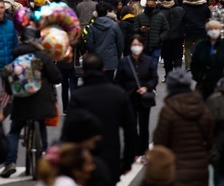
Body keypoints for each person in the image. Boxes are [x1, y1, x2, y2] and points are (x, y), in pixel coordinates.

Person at [0, 27, 62, 178]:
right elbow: (56, 77)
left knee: (14, 131)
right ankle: (45, 160)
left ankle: (10, 162)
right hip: (41, 99)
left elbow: (9, 74)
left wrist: (10, 90)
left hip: (21, 100)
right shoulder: (43, 55)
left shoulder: (15, 54)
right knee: (41, 126)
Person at [68, 53, 136, 183]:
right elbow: (130, 130)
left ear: (83, 71)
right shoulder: (117, 94)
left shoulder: (78, 96)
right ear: (103, 69)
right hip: (110, 156)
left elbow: (69, 131)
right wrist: (127, 161)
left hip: (84, 159)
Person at [153, 68, 213, 186]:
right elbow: (211, 140)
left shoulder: (168, 110)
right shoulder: (203, 109)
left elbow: (160, 142)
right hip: (200, 168)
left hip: (175, 167)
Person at [114, 35, 158, 163]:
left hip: (144, 98)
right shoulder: (124, 62)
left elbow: (154, 78)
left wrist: (146, 87)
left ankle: (144, 152)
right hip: (129, 98)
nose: (136, 47)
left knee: (144, 127)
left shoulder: (149, 61)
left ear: (143, 46)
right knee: (130, 127)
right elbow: (118, 81)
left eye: (139, 45)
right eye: (134, 45)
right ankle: (132, 151)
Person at [190, 21, 224, 99]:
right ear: (207, 30)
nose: (213, 31)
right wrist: (199, 77)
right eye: (211, 29)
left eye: (216, 28)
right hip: (205, 84)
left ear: (220, 30)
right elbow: (194, 63)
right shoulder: (200, 45)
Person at [85, 2, 124, 80]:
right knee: (110, 82)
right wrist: (117, 55)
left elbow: (89, 44)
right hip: (111, 58)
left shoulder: (92, 27)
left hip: (97, 60)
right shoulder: (114, 26)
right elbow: (120, 43)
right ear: (107, 12)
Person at [133, 0, 170, 69]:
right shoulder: (140, 17)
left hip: (156, 46)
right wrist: (140, 30)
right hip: (143, 46)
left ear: (155, 5)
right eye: (148, 5)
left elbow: (166, 30)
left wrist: (160, 39)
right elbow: (134, 30)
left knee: (153, 66)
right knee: (143, 67)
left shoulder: (161, 16)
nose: (149, 7)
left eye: (151, 5)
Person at [181, 0, 210, 70]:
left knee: (187, 47)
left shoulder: (185, 5)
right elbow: (208, 15)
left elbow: (183, 17)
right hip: (200, 29)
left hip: (188, 29)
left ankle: (189, 65)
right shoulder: (203, 5)